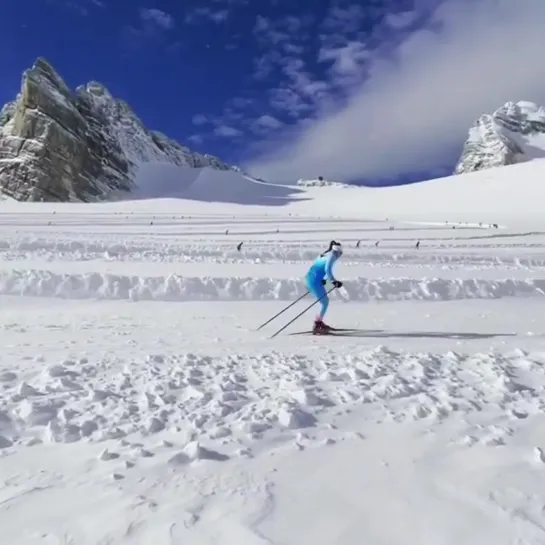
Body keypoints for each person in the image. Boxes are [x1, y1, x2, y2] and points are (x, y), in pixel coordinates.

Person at [305, 240, 343, 333]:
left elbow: (318, 268)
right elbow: (327, 269)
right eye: (340, 253)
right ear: (338, 251)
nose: (339, 256)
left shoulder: (325, 254)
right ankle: (318, 324)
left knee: (324, 302)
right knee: (325, 303)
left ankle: (319, 322)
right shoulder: (332, 255)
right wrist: (333, 281)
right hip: (314, 281)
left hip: (311, 279)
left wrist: (324, 280)